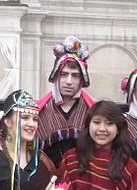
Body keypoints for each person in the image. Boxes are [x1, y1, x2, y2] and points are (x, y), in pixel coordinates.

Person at [36, 36, 95, 167]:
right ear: (56, 76)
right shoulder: (38, 112)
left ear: (82, 79)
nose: (69, 81)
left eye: (75, 75)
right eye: (64, 74)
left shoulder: (93, 111)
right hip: (47, 180)